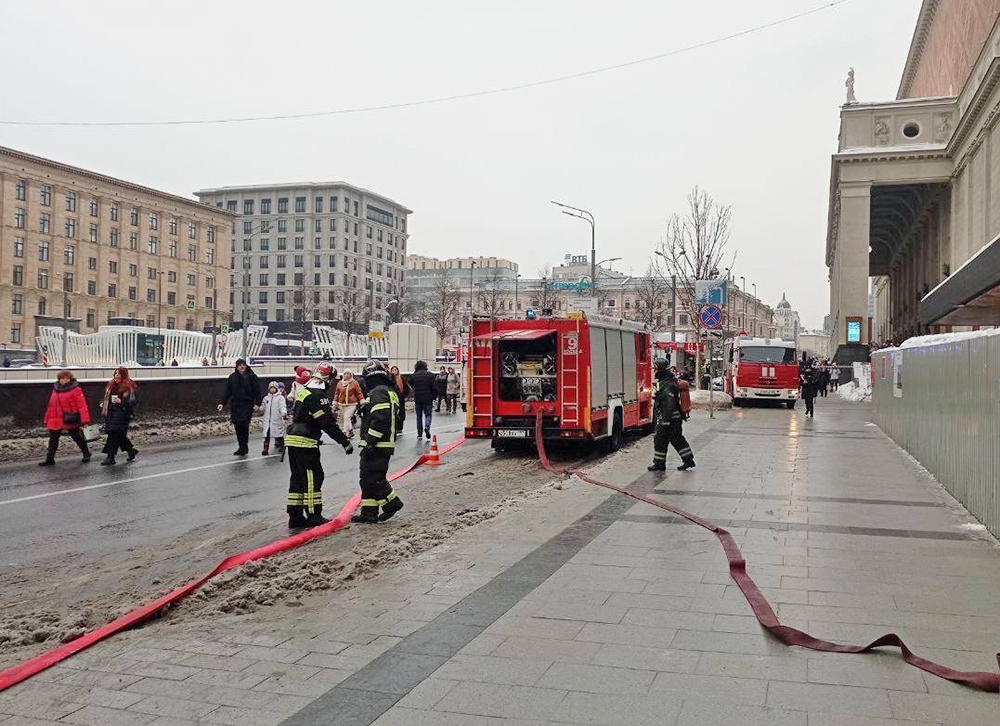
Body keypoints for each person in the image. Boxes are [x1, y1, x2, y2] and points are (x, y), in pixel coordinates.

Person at [285, 366, 353, 528]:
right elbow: (327, 424)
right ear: (328, 379)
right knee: (313, 477)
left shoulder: (304, 391)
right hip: (306, 443)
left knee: (297, 478)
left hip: (294, 440)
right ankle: (314, 515)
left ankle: (295, 517)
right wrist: (344, 442)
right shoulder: (318, 396)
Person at [352, 361, 403, 524]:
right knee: (366, 478)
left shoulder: (379, 392)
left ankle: (392, 503)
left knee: (373, 478)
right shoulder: (386, 391)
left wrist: (369, 442)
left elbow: (380, 419)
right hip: (383, 443)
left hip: (378, 444)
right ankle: (369, 512)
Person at [649, 358, 695, 472]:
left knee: (660, 439)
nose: (654, 371)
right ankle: (688, 460)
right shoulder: (668, 380)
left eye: (655, 368)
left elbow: (668, 402)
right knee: (676, 439)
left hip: (670, 418)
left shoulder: (667, 383)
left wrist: (665, 421)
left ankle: (659, 464)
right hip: (674, 418)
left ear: (660, 369)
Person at [40, 370, 92, 466]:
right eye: (62, 378)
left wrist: (85, 419)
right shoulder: (55, 389)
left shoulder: (76, 389)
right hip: (55, 419)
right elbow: (51, 406)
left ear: (70, 379)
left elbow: (82, 405)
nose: (64, 380)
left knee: (76, 436)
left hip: (70, 417)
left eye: (66, 378)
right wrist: (47, 419)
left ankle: (86, 453)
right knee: (53, 439)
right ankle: (50, 459)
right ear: (59, 379)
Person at [217, 358, 261, 456]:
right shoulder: (232, 377)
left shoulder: (252, 376)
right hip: (236, 405)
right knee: (238, 426)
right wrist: (222, 403)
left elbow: (257, 391)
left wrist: (258, 404)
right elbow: (227, 391)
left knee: (244, 425)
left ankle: (244, 446)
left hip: (247, 404)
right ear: (237, 367)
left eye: (243, 365)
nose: (242, 366)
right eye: (240, 365)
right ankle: (241, 446)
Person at [100, 366, 139, 465]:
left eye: (119, 373)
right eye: (115, 373)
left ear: (123, 375)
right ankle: (131, 451)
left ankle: (110, 457)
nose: (116, 375)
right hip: (112, 413)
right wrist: (104, 404)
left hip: (122, 414)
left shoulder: (129, 386)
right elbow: (107, 398)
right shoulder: (111, 385)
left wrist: (121, 401)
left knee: (113, 434)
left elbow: (132, 402)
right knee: (119, 435)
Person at [410, 360, 436, 438]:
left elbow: (411, 385)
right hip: (428, 398)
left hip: (418, 398)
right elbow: (434, 387)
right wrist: (434, 396)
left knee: (419, 416)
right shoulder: (430, 375)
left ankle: (419, 434)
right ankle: (427, 427)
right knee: (428, 415)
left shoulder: (414, 375)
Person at [333, 369, 363, 438]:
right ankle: (350, 431)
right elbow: (337, 394)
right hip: (341, 404)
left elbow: (359, 393)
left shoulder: (354, 383)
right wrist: (335, 403)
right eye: (345, 374)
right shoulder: (339, 383)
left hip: (352, 404)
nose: (346, 375)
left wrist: (362, 401)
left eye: (348, 374)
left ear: (351, 375)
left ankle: (344, 432)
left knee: (347, 417)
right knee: (346, 418)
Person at [260, 381, 287, 456]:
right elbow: (263, 407)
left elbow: (282, 406)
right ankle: (265, 449)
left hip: (276, 419)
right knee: (266, 434)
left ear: (276, 389)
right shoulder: (266, 398)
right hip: (267, 420)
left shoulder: (280, 398)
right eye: (271, 388)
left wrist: (283, 412)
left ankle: (282, 445)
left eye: (274, 388)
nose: (272, 390)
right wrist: (259, 408)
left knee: (278, 433)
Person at [389, 365, 410, 433]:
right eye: (393, 370)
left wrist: (404, 395)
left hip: (400, 398)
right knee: (393, 413)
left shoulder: (401, 378)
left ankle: (400, 427)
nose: (394, 371)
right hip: (392, 399)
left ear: (398, 370)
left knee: (401, 413)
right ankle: (394, 427)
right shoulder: (389, 378)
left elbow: (407, 387)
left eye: (395, 370)